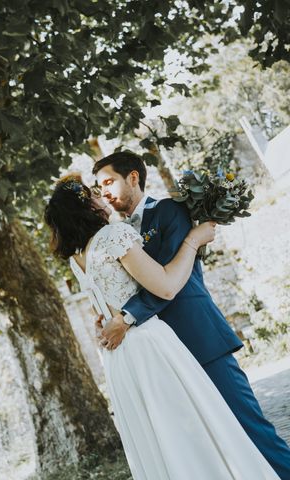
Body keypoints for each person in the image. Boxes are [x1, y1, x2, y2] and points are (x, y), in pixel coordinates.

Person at [44, 173, 279, 479]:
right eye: (94, 194)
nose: (101, 197)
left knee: (160, 438)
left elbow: (101, 309)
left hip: (118, 358)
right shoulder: (113, 236)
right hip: (148, 344)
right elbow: (166, 287)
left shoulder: (77, 259)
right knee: (197, 427)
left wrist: (108, 317)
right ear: (87, 206)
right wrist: (193, 241)